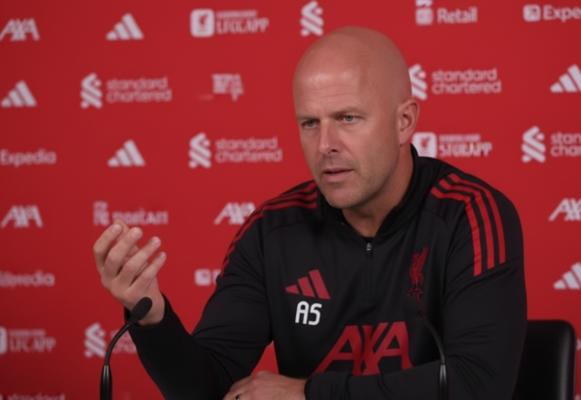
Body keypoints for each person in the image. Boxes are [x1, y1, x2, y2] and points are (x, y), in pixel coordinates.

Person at [93, 26, 526, 400]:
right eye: (310, 123)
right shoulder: (272, 231)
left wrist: (308, 393)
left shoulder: (470, 216)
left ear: (404, 121)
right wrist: (152, 317)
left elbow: (479, 386)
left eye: (348, 118)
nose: (325, 145)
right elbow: (207, 387)